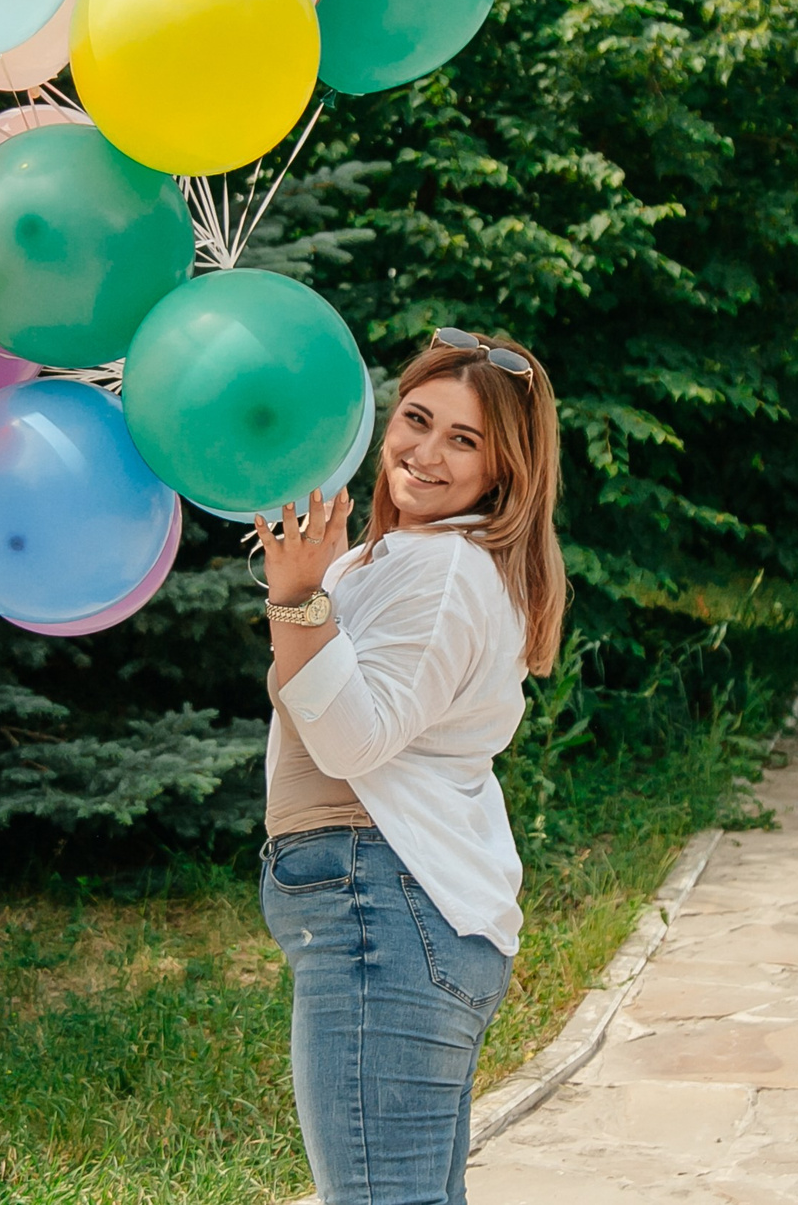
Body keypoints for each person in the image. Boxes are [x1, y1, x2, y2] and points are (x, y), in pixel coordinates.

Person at [254, 326, 565, 1205]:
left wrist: (295, 597)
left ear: (503, 470)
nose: (424, 452)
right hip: (399, 913)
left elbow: (353, 742)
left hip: (380, 906)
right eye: (416, 419)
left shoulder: (440, 571)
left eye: (463, 440)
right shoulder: (396, 561)